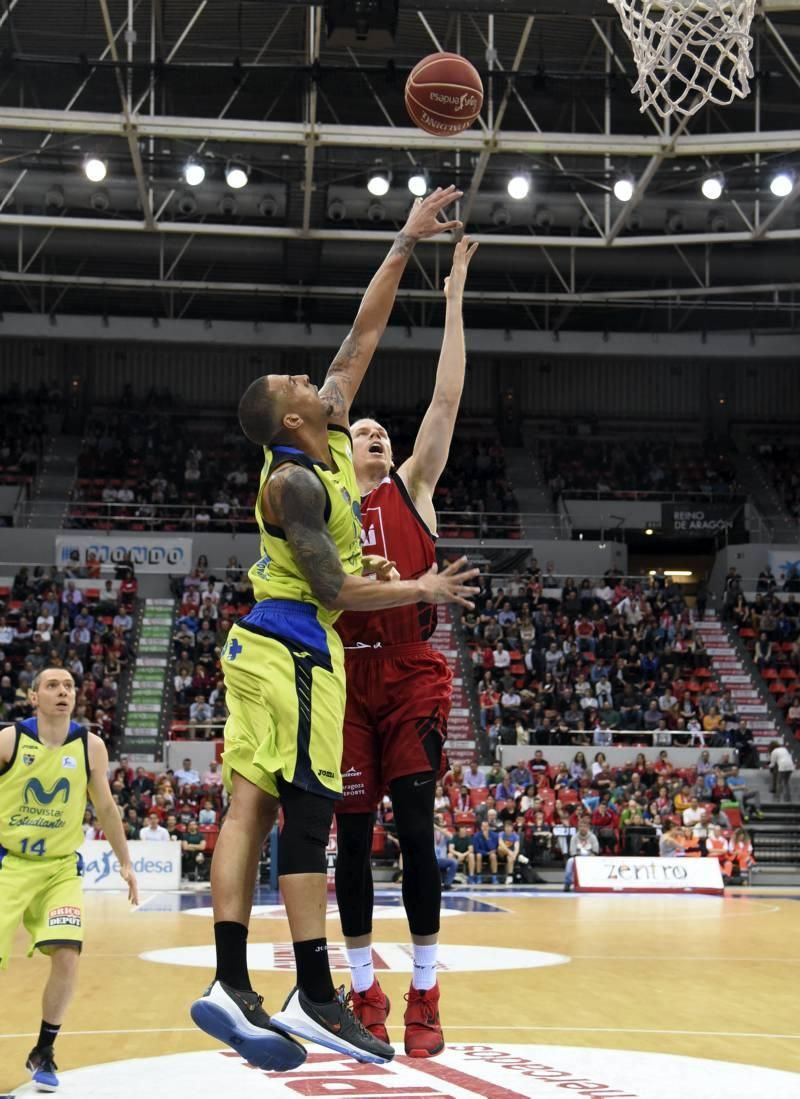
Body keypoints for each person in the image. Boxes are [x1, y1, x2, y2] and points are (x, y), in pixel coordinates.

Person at [190, 186, 477, 1072]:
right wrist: (418, 581)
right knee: (308, 814)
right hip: (298, 647)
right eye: (294, 383)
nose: (309, 377)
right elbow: (337, 593)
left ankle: (230, 982)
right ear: (291, 417)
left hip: (268, 643)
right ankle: (314, 992)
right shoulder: (299, 483)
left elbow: (362, 332)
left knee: (254, 804)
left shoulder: (327, 436)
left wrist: (405, 237)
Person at [332, 234, 478, 1059]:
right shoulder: (322, 508)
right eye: (364, 430)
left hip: (412, 673)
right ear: (341, 451)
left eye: (385, 429)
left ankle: (425, 989)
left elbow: (447, 402)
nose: (380, 433)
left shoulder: (414, 489)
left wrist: (453, 297)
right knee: (351, 844)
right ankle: (363, 990)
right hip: (346, 685)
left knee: (417, 833)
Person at [0, 667, 138, 1091]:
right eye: (52, 686)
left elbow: (108, 808)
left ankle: (44, 1050)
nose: (62, 692)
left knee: (68, 954)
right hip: (9, 862)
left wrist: (126, 862)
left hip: (60, 867)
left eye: (69, 686)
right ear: (33, 695)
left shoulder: (89, 745)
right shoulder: (9, 739)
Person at [563, 818, 599, 891]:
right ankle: (567, 883)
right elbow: (572, 851)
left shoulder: (592, 837)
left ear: (588, 827)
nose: (582, 828)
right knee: (570, 861)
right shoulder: (574, 837)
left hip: (590, 857)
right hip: (577, 857)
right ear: (578, 827)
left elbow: (596, 851)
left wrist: (591, 856)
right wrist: (578, 858)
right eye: (581, 826)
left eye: (584, 827)